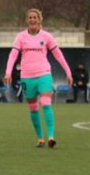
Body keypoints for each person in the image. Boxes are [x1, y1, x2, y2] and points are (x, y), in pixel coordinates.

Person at [4, 8, 73, 148]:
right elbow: (13, 55)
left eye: (35, 17)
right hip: (27, 77)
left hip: (44, 74)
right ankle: (41, 138)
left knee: (46, 103)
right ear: (27, 20)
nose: (32, 19)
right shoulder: (21, 37)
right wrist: (8, 72)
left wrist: (68, 72)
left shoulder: (46, 36)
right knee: (33, 108)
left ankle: (51, 137)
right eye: (30, 17)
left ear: (40, 19)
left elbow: (58, 54)